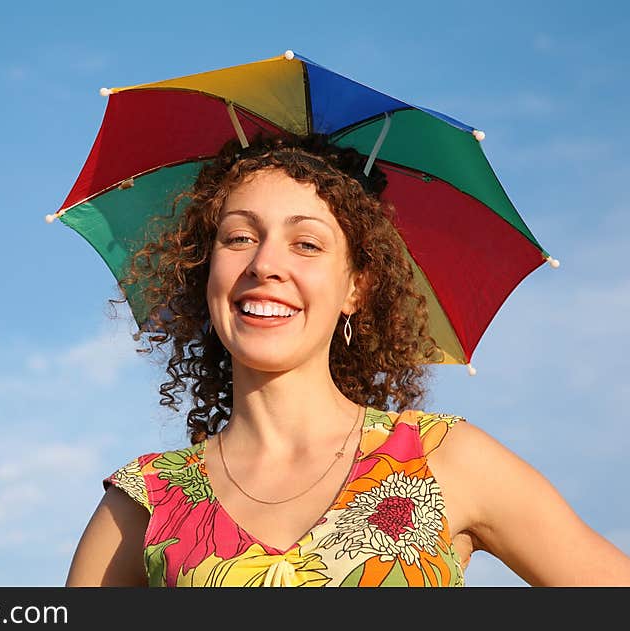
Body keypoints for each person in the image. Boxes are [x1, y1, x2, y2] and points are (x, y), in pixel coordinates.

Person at [64, 132, 630, 587]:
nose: (265, 264)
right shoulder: (144, 501)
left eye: (306, 244)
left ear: (356, 287)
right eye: (238, 237)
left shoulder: (445, 459)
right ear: (204, 271)